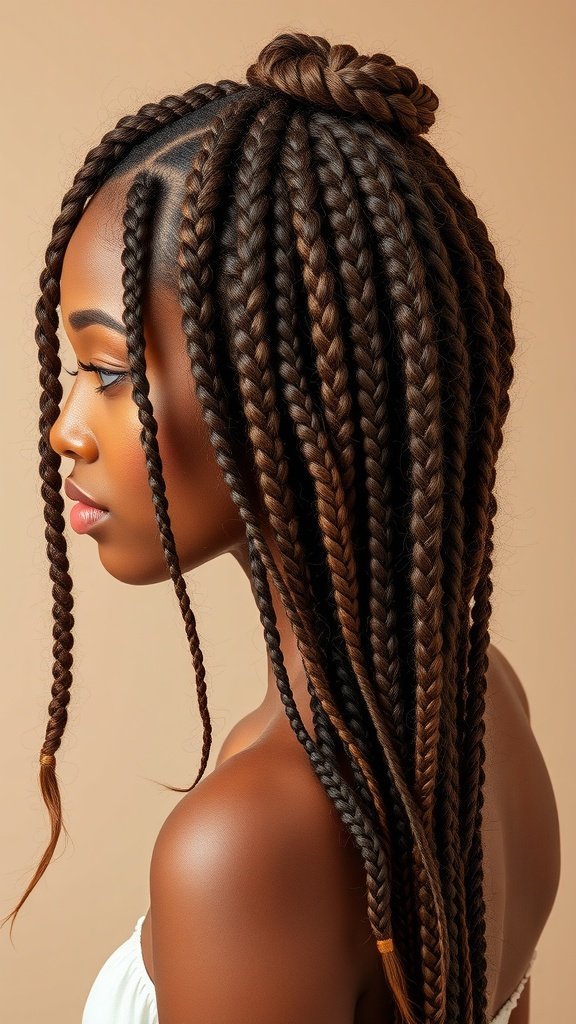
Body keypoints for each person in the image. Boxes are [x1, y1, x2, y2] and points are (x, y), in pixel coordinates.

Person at [1, 30, 560, 1024]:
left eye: (112, 370)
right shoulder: (476, 708)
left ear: (284, 394)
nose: (65, 429)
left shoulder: (248, 847)